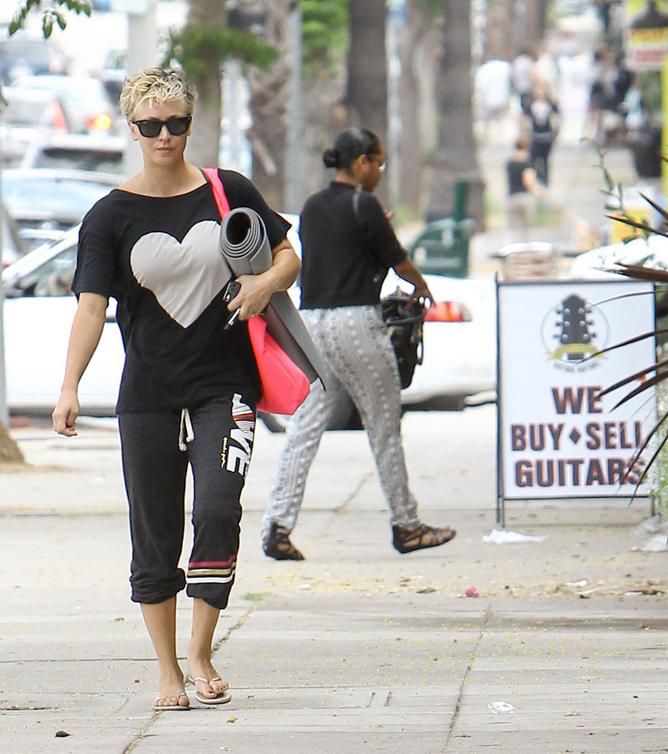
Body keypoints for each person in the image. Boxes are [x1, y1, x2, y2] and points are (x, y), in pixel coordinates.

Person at [52, 67, 299, 712]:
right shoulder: (109, 216)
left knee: (218, 509)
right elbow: (90, 307)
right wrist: (69, 386)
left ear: (190, 123)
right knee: (154, 528)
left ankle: (200, 650)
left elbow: (288, 254)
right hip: (148, 393)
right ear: (132, 129)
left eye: (177, 123)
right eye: (151, 125)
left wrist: (264, 285)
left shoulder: (226, 190)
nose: (165, 135)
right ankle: (166, 670)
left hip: (226, 384)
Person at [260, 128, 456, 562]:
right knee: (384, 424)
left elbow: (335, 255)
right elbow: (399, 262)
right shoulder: (363, 205)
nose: (380, 171)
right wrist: (422, 288)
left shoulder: (313, 206)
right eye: (378, 163)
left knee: (305, 425)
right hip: (355, 322)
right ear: (362, 162)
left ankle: (277, 524)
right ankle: (406, 523)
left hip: (313, 324)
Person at [506, 133, 549, 240]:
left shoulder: (510, 162)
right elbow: (529, 182)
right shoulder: (527, 162)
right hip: (525, 198)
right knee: (527, 232)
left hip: (511, 197)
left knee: (514, 230)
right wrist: (541, 193)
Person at [526, 83, 559, 186]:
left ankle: (545, 179)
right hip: (535, 135)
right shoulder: (531, 105)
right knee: (533, 159)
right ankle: (535, 178)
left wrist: (555, 133)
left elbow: (556, 119)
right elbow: (526, 119)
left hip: (546, 136)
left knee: (545, 159)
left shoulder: (551, 105)